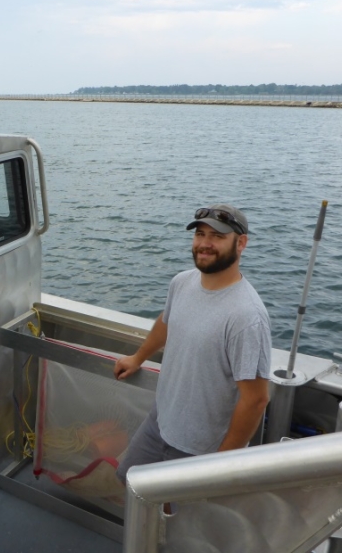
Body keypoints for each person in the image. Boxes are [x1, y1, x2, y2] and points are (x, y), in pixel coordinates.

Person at [113, 204, 271, 483]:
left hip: (201, 449)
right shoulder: (182, 282)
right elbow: (166, 322)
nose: (205, 244)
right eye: (200, 235)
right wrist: (138, 358)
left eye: (217, 237)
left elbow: (255, 400)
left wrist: (220, 463)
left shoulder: (246, 316)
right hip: (160, 422)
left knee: (176, 521)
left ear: (241, 243)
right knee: (129, 484)